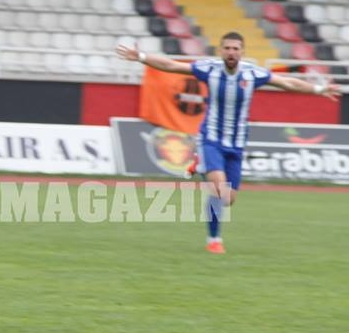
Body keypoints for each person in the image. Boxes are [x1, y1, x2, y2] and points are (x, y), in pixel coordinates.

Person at [116, 33, 340, 253]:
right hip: (210, 139)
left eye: (235, 49)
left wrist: (319, 89)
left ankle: (200, 166)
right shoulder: (209, 69)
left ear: (242, 52)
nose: (231, 52)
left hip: (236, 145)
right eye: (227, 48)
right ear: (221, 51)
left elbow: (287, 83)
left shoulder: (253, 74)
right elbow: (172, 66)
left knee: (228, 199)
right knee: (220, 190)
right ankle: (214, 239)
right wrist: (142, 56)